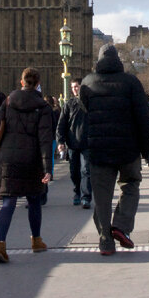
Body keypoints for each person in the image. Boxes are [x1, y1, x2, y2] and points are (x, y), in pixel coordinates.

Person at [80, 43, 149, 256]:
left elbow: (85, 109)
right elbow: (143, 119)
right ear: (118, 60)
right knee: (130, 185)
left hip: (98, 150)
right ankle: (121, 225)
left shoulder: (88, 82)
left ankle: (105, 241)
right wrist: (147, 149)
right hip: (128, 149)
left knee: (102, 197)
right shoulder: (131, 82)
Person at [0, 68, 53, 264]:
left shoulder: (8, 101)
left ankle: (0, 244)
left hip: (8, 158)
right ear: (38, 83)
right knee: (34, 200)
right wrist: (47, 169)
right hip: (31, 159)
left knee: (8, 202)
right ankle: (36, 240)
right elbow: (45, 139)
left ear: (21, 82)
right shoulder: (43, 107)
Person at [56, 78, 91, 208]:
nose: (75, 89)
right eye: (73, 87)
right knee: (74, 171)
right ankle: (77, 191)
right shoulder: (68, 104)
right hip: (72, 143)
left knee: (85, 170)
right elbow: (61, 124)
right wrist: (60, 141)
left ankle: (86, 197)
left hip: (87, 143)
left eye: (77, 86)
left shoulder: (89, 103)